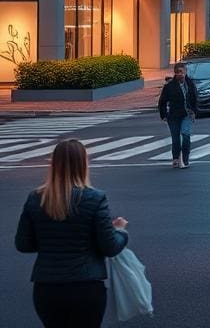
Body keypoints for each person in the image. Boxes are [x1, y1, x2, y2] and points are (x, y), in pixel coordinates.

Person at [14, 140, 128, 328]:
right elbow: (110, 247)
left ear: (54, 165)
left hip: (47, 287)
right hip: (86, 286)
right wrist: (121, 231)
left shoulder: (36, 198)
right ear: (84, 163)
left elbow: (23, 245)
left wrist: (49, 239)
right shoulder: (95, 198)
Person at [158, 61, 198, 168]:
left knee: (185, 135)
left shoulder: (190, 84)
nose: (179, 74)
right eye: (176, 72)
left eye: (181, 71)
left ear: (185, 71)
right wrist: (164, 115)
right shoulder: (170, 86)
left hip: (187, 114)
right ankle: (175, 158)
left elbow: (194, 98)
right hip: (174, 115)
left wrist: (194, 111)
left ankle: (185, 159)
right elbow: (162, 101)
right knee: (175, 138)